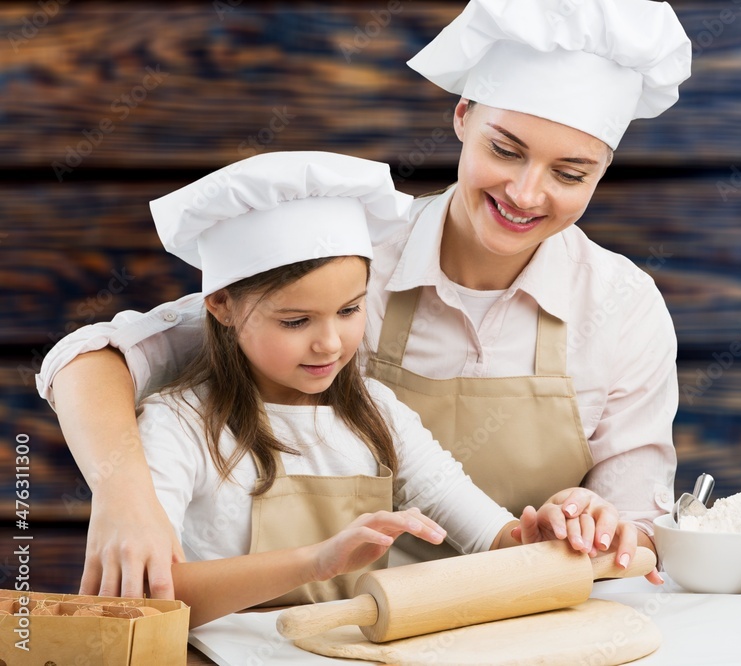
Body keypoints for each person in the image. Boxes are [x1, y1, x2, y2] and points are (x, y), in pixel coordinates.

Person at [37, 0, 690, 598]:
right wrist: (127, 495)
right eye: (505, 149)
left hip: (521, 629)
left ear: (603, 170)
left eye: (570, 173)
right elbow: (90, 357)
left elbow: (638, 541)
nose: (525, 192)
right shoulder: (348, 257)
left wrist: (594, 528)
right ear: (463, 118)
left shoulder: (620, 306)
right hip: (337, 626)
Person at [130, 150, 636, 628]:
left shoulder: (378, 414)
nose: (329, 343)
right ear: (220, 306)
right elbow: (151, 595)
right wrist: (317, 560)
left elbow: (486, 532)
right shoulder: (176, 425)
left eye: (350, 310)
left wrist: (538, 537)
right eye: (296, 320)